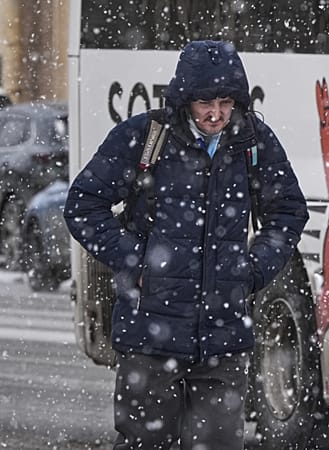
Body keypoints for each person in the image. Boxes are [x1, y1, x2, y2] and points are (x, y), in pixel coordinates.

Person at [63, 40, 309, 449]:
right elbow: (83, 206)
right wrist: (136, 261)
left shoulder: (252, 142)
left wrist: (252, 271)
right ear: (184, 101)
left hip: (223, 340)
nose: (216, 114)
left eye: (225, 103)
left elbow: (288, 211)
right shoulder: (146, 137)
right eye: (205, 103)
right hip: (150, 338)